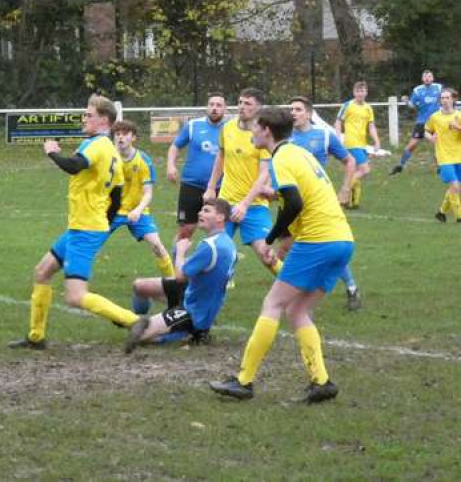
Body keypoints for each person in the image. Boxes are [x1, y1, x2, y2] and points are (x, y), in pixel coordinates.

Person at [210, 107, 354, 404]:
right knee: (298, 310)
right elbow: (300, 197)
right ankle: (321, 382)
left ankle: (244, 381)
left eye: (254, 127)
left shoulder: (281, 157)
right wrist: (273, 198)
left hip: (318, 241)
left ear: (266, 131)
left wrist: (271, 240)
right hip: (341, 239)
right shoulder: (299, 153)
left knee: (273, 303)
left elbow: (295, 203)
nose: (250, 132)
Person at [10, 95, 140, 350]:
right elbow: (116, 194)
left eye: (88, 115)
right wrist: (103, 222)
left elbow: (74, 165)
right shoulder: (111, 151)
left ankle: (134, 321)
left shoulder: (96, 144)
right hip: (83, 226)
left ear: (103, 120)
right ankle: (36, 337)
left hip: (85, 229)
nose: (84, 119)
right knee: (43, 271)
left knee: (75, 296)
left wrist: (53, 153)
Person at [123, 198, 237, 353]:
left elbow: (180, 276)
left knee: (140, 336)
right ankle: (139, 318)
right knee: (139, 286)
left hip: (195, 311)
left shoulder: (211, 247)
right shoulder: (224, 242)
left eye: (206, 211)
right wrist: (179, 253)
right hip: (190, 291)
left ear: (220, 217)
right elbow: (196, 270)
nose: (199, 213)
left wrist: (180, 252)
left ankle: (190, 332)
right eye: (201, 210)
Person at [289, 96, 361, 311]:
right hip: (293, 203)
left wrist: (345, 189)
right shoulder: (286, 137)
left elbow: (349, 160)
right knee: (290, 247)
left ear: (309, 114)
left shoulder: (324, 135)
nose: (293, 113)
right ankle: (299, 290)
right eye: (291, 109)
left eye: (298, 109)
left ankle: (351, 287)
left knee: (328, 246)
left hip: (319, 202)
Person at [203, 88, 280, 275]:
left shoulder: (262, 134)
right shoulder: (227, 128)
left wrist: (245, 205)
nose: (242, 107)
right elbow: (221, 156)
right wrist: (211, 187)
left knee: (266, 255)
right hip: (226, 203)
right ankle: (214, 290)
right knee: (214, 252)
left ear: (258, 108)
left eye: (248, 103)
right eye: (240, 102)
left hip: (253, 205)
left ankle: (292, 290)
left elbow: (264, 175)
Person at [110, 120, 174, 278]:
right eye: (117, 134)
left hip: (137, 210)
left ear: (133, 138)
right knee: (89, 243)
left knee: (157, 245)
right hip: (111, 211)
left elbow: (148, 193)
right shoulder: (108, 158)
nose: (120, 138)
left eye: (125, 134)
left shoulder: (143, 160)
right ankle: (75, 279)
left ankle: (173, 282)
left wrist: (138, 210)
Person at [166, 93, 227, 248]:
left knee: (219, 230)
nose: (214, 108)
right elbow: (175, 146)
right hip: (191, 185)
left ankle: (216, 266)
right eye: (211, 104)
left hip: (220, 187)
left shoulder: (230, 129)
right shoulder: (193, 125)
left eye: (219, 105)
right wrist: (171, 165)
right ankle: (176, 266)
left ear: (225, 109)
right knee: (186, 230)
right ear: (207, 107)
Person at [334, 81, 381, 209]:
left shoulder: (368, 108)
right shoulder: (348, 105)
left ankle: (351, 203)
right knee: (365, 170)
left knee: (354, 172)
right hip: (351, 143)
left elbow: (371, 126)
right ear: (354, 92)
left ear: (366, 93)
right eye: (358, 91)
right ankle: (342, 194)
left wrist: (376, 140)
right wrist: (338, 138)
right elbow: (338, 122)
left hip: (362, 144)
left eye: (363, 91)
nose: (361, 93)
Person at [391, 69, 441, 175]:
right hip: (422, 122)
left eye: (429, 76)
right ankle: (400, 165)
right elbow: (412, 105)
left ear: (433, 78)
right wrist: (406, 101)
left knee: (438, 144)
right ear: (422, 79)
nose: (427, 78)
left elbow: (447, 99)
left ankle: (439, 167)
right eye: (425, 76)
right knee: (412, 145)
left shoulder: (439, 87)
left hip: (437, 122)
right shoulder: (418, 90)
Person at [423, 87, 461, 223]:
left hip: (459, 156)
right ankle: (459, 216)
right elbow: (426, 130)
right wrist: (430, 138)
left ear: (453, 99)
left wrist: (457, 127)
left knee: (455, 187)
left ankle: (441, 212)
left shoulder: (459, 115)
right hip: (444, 157)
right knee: (455, 186)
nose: (444, 101)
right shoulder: (435, 117)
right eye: (442, 98)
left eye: (447, 98)